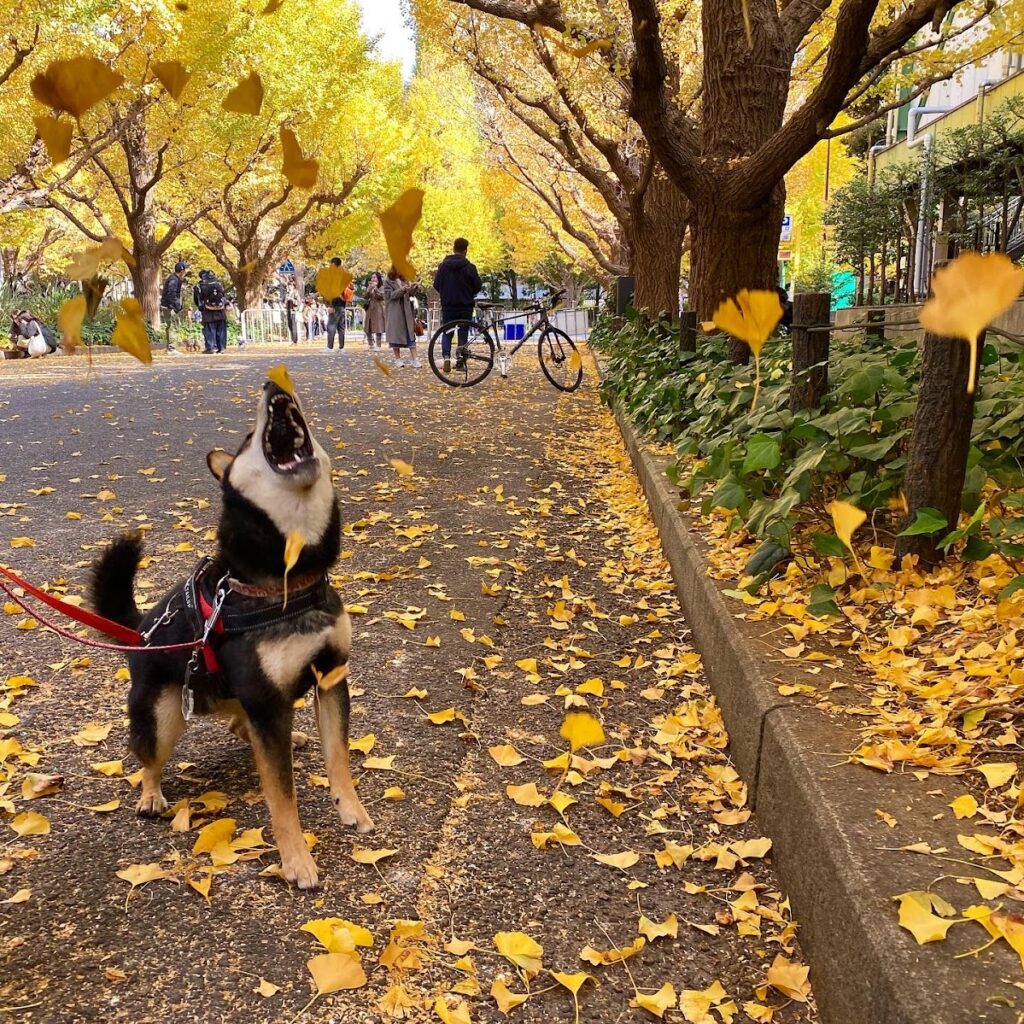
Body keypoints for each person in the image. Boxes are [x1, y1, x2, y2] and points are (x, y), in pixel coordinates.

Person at [432, 237, 482, 373]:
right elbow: (478, 286)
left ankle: (446, 357)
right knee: (463, 333)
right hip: (465, 305)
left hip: (448, 305)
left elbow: (436, 284)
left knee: (447, 332)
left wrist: (445, 293)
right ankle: (460, 362)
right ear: (465, 250)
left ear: (453, 249)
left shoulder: (443, 267)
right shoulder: (470, 267)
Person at [383, 267, 421, 369]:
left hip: (407, 312)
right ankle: (398, 359)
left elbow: (410, 294)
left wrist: (414, 287)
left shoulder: (405, 280)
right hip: (395, 312)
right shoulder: (388, 282)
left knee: (410, 336)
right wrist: (402, 290)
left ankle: (415, 359)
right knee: (395, 337)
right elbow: (389, 296)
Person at [195, 269, 228, 353]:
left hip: (208, 309)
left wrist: (200, 307)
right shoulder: (219, 283)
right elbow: (223, 295)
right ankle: (222, 347)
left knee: (210, 329)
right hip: (220, 310)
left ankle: (211, 347)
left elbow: (197, 298)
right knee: (221, 329)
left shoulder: (200, 285)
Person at [160, 261, 187, 353]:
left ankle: (169, 347)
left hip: (167, 306)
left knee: (170, 326)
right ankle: (172, 348)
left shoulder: (174, 279)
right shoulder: (174, 280)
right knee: (173, 326)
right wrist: (174, 306)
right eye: (185, 270)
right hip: (170, 307)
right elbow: (171, 294)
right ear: (182, 270)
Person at [325, 258, 348, 351]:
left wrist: (330, 305)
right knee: (341, 327)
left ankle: (330, 347)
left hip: (335, 304)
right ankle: (341, 347)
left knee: (331, 325)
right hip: (342, 304)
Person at [364, 271, 385, 350]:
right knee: (367, 326)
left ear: (378, 278)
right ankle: (370, 344)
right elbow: (365, 296)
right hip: (370, 308)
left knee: (378, 327)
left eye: (375, 277)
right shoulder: (369, 286)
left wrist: (375, 288)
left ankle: (378, 345)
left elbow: (381, 296)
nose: (373, 279)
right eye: (372, 277)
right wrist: (369, 289)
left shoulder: (382, 287)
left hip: (378, 308)